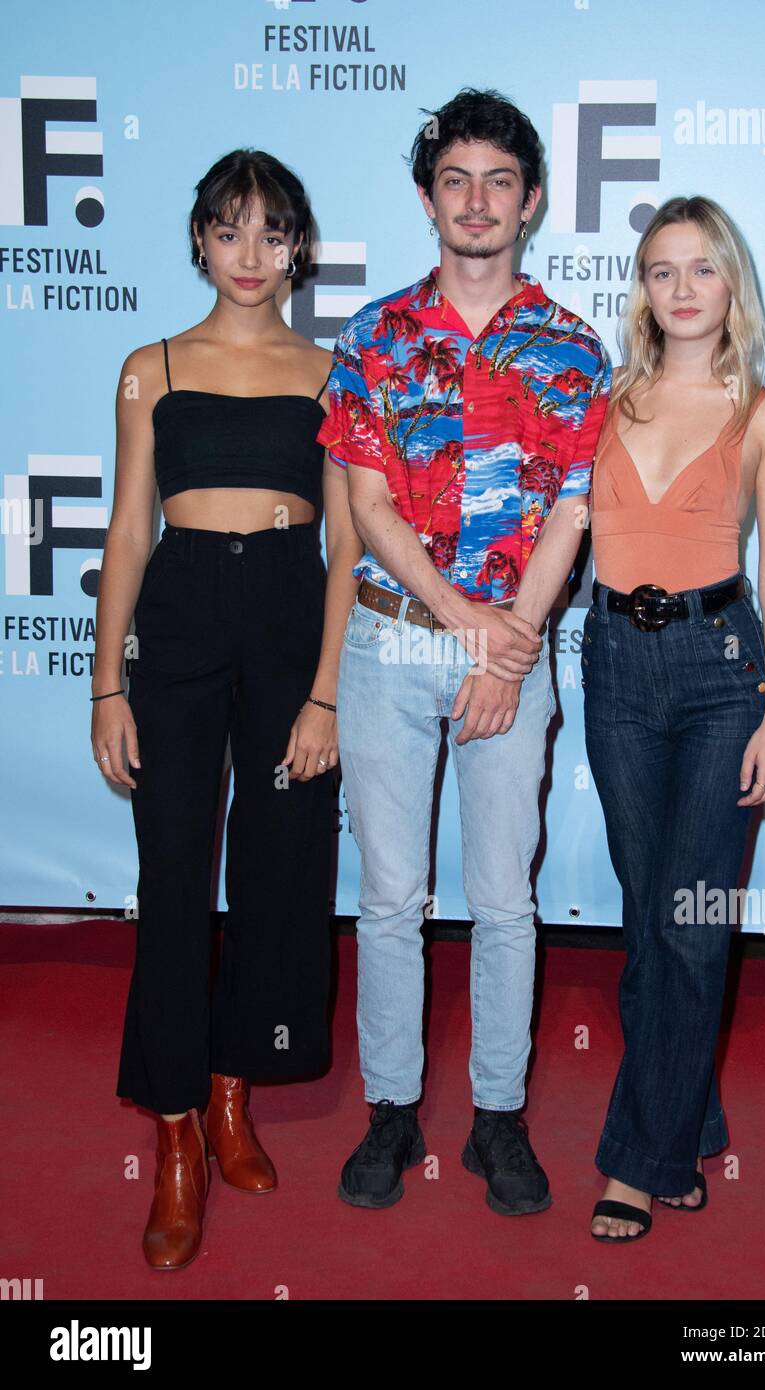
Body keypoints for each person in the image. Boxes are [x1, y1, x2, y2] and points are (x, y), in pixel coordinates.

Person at [317, 89, 611, 1216]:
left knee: (502, 900)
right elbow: (371, 504)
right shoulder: (375, 338)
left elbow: (571, 510)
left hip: (515, 651)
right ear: (428, 197)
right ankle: (391, 1112)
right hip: (393, 644)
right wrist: (461, 623)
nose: (476, 201)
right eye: (455, 180)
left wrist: (508, 650)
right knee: (391, 898)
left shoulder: (571, 347)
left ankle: (497, 1120)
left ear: (529, 201)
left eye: (498, 181)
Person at [91, 149, 362, 1269]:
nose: (249, 254)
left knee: (281, 865)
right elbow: (124, 530)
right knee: (171, 876)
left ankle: (233, 1091)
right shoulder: (148, 367)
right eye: (227, 229)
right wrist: (108, 679)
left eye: (271, 232)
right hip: (184, 615)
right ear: (199, 241)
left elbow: (347, 544)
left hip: (291, 612)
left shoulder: (333, 371)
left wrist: (324, 692)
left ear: (298, 246)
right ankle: (173, 1138)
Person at [583, 195, 765, 1242]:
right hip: (615, 666)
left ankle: (639, 1158)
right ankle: (688, 1110)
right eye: (660, 270)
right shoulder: (603, 402)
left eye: (700, 268)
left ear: (731, 285)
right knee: (646, 918)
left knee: (692, 919)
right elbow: (554, 532)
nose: (679, 289)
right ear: (640, 289)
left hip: (722, 676)